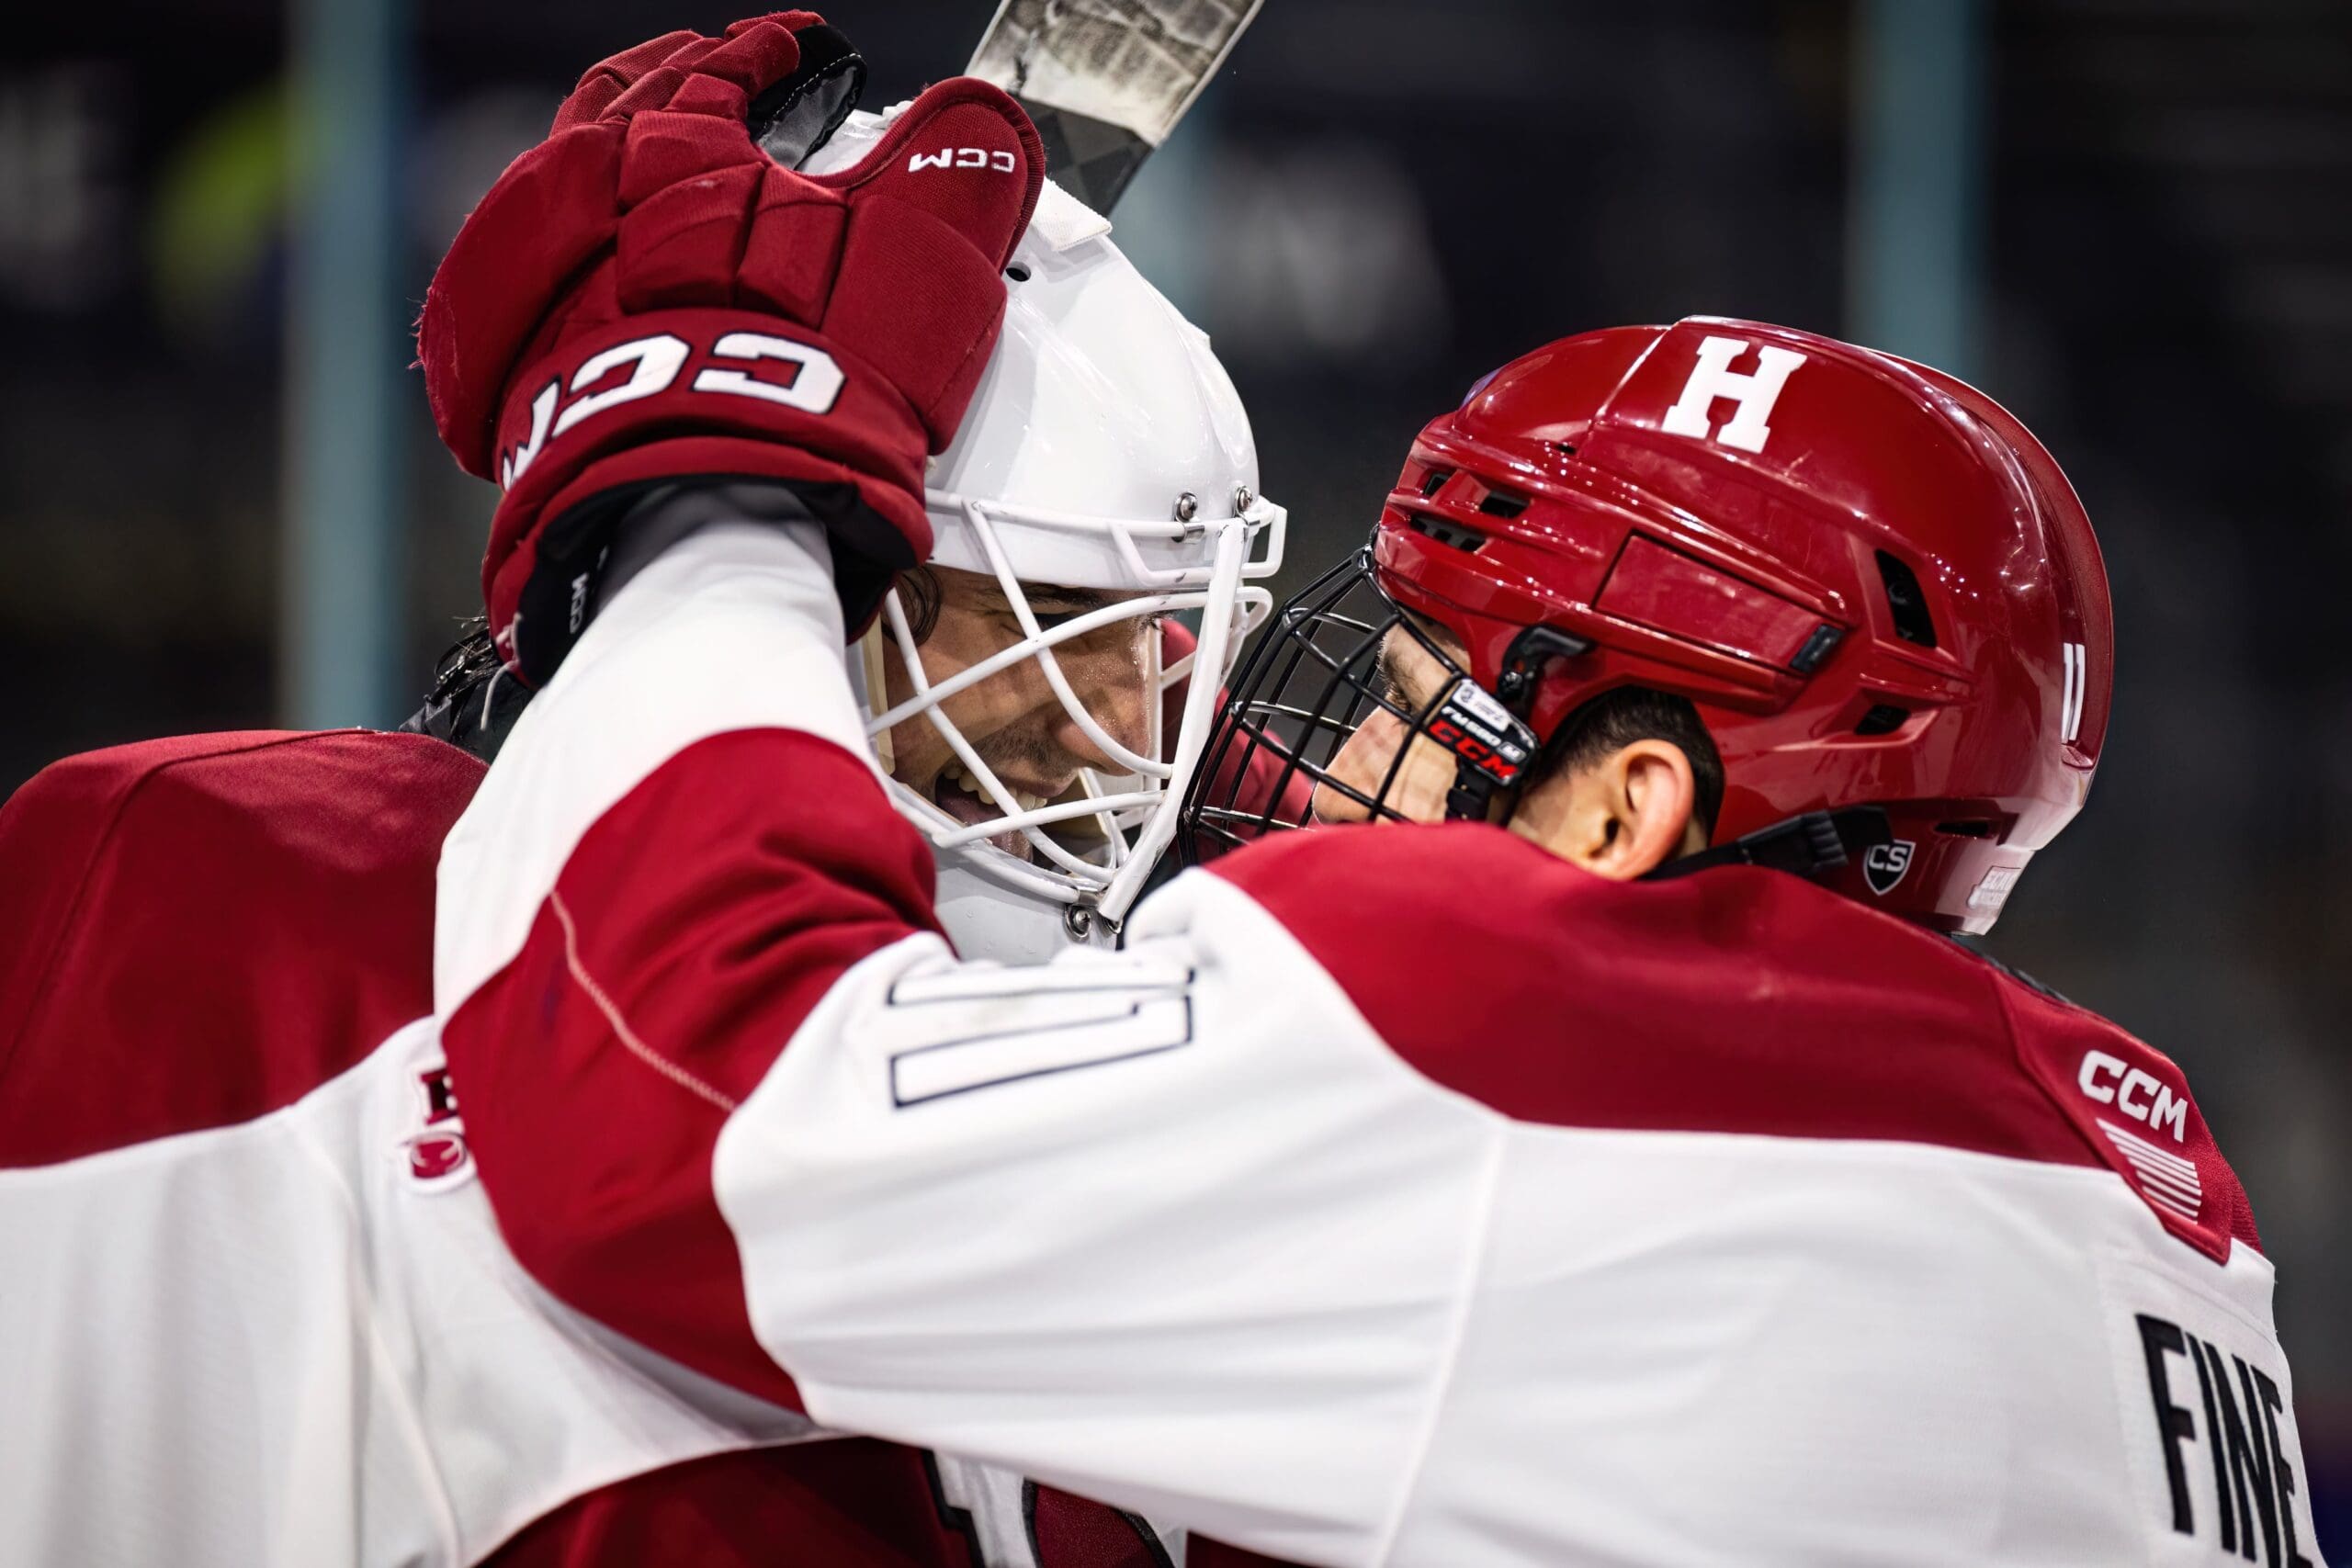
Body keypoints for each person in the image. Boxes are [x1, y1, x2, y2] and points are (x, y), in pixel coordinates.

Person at [419, 32, 2327, 1562]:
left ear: (1620, 802)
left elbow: (665, 1126)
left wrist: (722, 465)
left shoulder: (1515, 1025)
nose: (1310, 764)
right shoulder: (2162, 1205)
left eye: (1410, 702)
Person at [0, 17, 1289, 1564]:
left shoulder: (1169, 1030)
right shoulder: (189, 891)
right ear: (843, 586)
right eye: (1062, 626)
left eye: (1167, 641)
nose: (1121, 730)